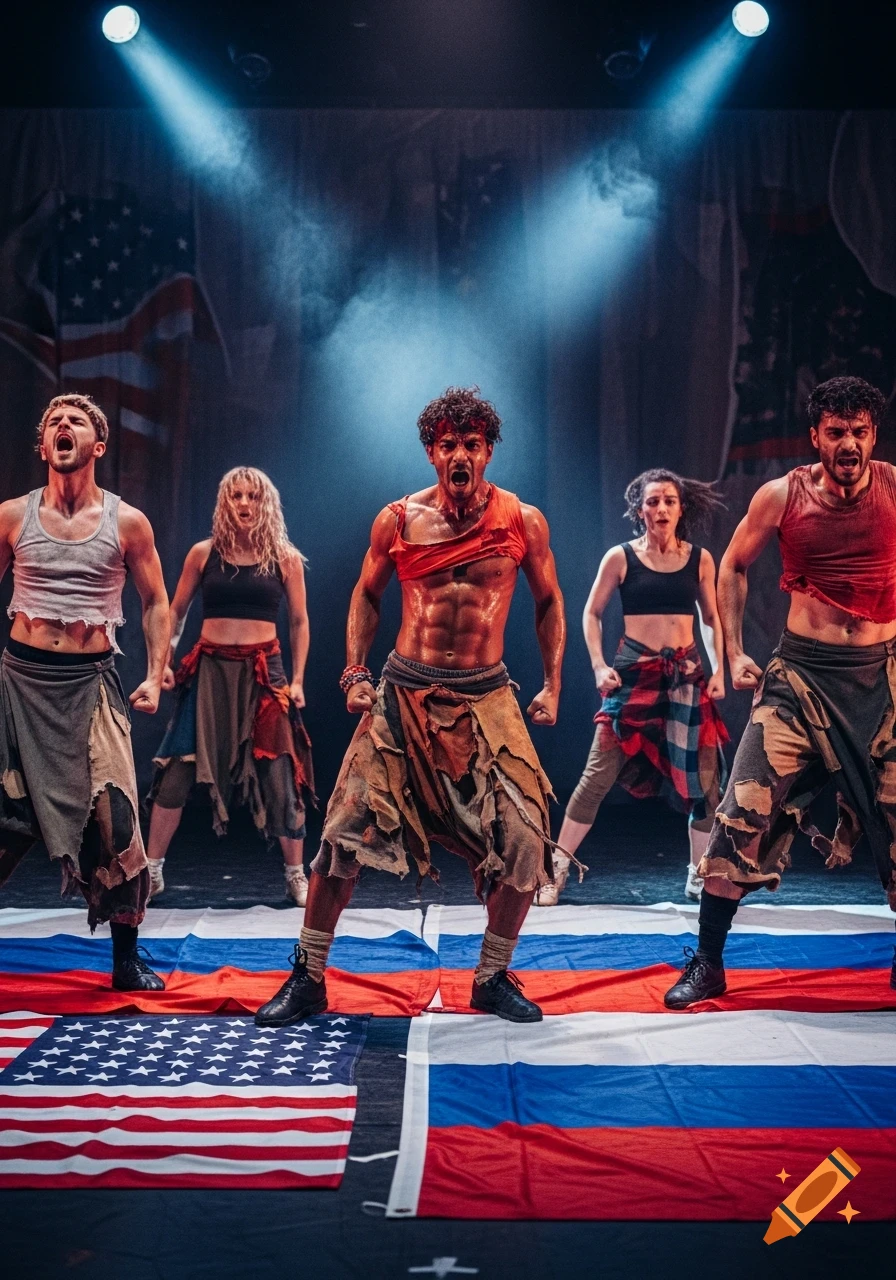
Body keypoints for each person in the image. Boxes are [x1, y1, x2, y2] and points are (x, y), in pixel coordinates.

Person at [255, 386, 566, 1027]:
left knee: (525, 837)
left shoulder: (521, 521)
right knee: (342, 834)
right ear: (431, 452)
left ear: (488, 451)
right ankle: (308, 976)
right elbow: (366, 594)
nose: (460, 455)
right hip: (402, 695)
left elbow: (549, 602)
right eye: (448, 444)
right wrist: (354, 672)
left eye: (472, 444)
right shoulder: (398, 520)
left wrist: (553, 684)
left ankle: (491, 977)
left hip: (485, 699)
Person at [664, 375, 896, 1009]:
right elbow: (734, 564)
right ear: (816, 435)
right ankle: (708, 962)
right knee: (742, 808)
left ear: (873, 435)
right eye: (836, 432)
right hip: (800, 678)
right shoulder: (781, 495)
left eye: (860, 432)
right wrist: (735, 650)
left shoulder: (893, 489)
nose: (849, 444)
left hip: (880, 681)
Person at [0, 393, 169, 991]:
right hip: (21, 688)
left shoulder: (127, 522)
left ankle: (125, 961)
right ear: (43, 445)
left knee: (117, 822)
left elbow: (156, 602)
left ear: (98, 445)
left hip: (91, 687)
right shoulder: (11, 516)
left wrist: (155, 674)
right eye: (54, 422)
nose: (63, 426)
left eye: (75, 421)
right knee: (5, 826)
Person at [538, 469, 728, 906]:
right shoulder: (621, 557)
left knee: (705, 783)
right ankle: (556, 868)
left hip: (685, 676)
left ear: (681, 508)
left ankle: (698, 875)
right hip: (634, 675)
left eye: (669, 501)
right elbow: (591, 613)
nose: (661, 509)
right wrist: (598, 666)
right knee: (596, 776)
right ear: (639, 510)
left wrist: (718, 669)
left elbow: (711, 618)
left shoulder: (700, 559)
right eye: (652, 502)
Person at [146, 468, 314, 904]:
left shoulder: (285, 559)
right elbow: (175, 612)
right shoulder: (203, 554)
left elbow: (299, 621)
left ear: (265, 504)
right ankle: (152, 870)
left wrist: (297, 679)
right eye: (236, 496)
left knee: (280, 772)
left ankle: (295, 874)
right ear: (225, 502)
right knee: (177, 769)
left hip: (264, 673)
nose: (244, 504)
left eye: (252, 497)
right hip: (209, 672)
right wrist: (163, 663)